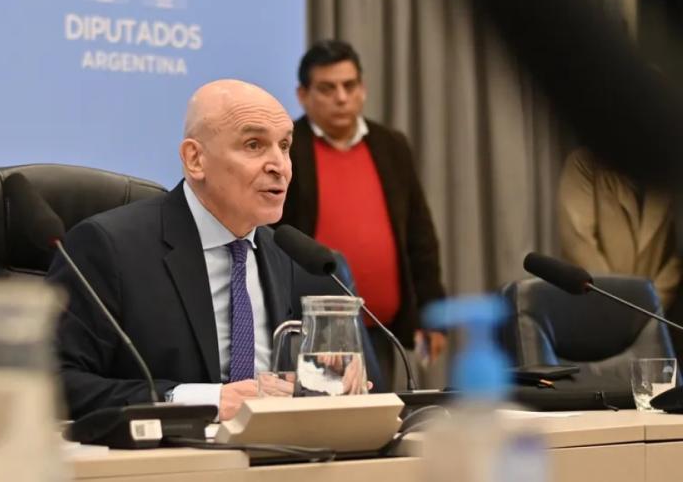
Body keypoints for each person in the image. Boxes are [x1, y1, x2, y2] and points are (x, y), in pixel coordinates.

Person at [48, 79, 382, 421]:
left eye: (284, 146)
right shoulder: (108, 247)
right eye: (254, 145)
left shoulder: (292, 258)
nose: (279, 166)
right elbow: (52, 383)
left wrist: (327, 387)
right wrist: (204, 400)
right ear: (195, 159)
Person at [278, 40, 447, 388]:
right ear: (303, 95)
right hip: (314, 330)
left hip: (383, 327)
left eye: (349, 85)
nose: (341, 97)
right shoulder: (287, 149)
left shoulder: (391, 145)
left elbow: (420, 236)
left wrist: (431, 313)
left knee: (383, 410)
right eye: (327, 88)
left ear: (363, 88)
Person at [558, 147, 681, 313]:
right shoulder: (583, 163)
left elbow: (673, 260)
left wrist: (649, 311)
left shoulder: (666, 177)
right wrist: (618, 307)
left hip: (648, 317)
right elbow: (580, 245)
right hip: (590, 310)